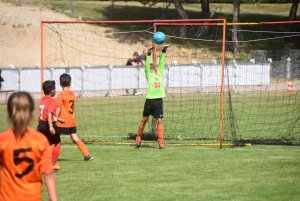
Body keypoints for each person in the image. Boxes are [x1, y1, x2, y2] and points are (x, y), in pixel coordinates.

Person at [0, 91, 57, 201]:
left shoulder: (3, 139)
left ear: (8, 113)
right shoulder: (40, 140)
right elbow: (48, 173)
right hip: (32, 197)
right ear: (32, 113)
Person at [135, 44, 170, 149]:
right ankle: (138, 138)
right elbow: (146, 66)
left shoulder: (160, 74)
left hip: (158, 101)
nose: (153, 66)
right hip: (149, 101)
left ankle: (160, 142)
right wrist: (149, 54)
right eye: (150, 66)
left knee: (159, 121)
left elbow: (162, 63)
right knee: (144, 119)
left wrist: (164, 51)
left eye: (153, 66)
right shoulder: (149, 75)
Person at [56, 73, 94, 161]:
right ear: (71, 83)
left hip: (63, 121)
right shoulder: (72, 94)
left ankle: (51, 158)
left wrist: (55, 117)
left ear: (60, 84)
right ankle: (87, 154)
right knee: (74, 137)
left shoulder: (61, 95)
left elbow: (59, 106)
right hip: (72, 121)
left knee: (55, 139)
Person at [37, 80, 65, 171]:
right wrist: (51, 126)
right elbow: (49, 113)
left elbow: (48, 113)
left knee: (43, 145)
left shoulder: (42, 100)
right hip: (48, 125)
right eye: (55, 88)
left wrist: (59, 119)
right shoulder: (52, 100)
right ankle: (52, 164)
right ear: (52, 90)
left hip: (40, 125)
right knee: (57, 143)